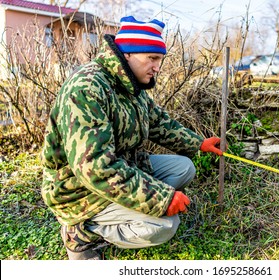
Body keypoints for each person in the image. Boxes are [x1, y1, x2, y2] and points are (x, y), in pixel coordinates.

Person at [40, 15, 223, 260]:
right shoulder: (88, 88)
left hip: (124, 166)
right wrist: (160, 198)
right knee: (164, 226)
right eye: (153, 58)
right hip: (79, 189)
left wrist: (197, 143)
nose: (157, 67)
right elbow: (95, 167)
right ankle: (82, 231)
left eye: (160, 59)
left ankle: (125, 209)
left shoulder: (129, 83)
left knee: (184, 168)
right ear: (128, 54)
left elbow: (157, 121)